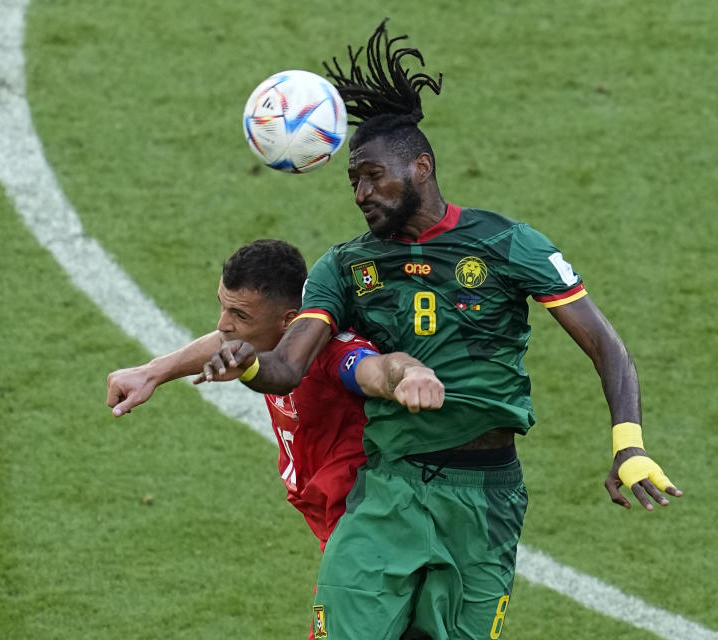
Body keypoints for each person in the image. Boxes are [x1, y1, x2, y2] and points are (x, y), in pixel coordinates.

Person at [198, 20, 682, 640]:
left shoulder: (507, 244)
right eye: (352, 181)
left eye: (373, 176)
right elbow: (288, 366)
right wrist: (243, 361)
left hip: (485, 498)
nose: (362, 192)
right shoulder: (345, 266)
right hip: (387, 490)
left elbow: (605, 345)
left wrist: (629, 443)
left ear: (421, 167)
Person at [107, 239, 444, 552]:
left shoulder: (330, 351)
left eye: (239, 315)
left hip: (371, 526)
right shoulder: (264, 337)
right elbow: (224, 341)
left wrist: (409, 374)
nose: (223, 324)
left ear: (290, 321)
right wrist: (151, 372)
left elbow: (373, 370)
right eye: (223, 307)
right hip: (339, 518)